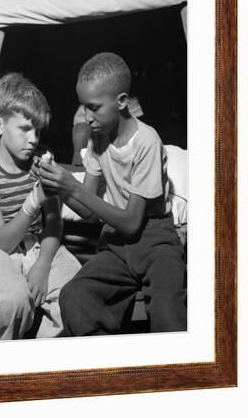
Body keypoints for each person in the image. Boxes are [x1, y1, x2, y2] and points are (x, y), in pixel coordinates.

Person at [36, 53, 186, 336]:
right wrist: (58, 187)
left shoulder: (146, 141)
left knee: (168, 312)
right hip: (115, 244)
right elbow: (89, 212)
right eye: (83, 108)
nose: (86, 118)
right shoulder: (97, 139)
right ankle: (110, 366)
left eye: (94, 108)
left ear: (121, 101)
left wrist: (73, 186)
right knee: (74, 296)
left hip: (155, 239)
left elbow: (131, 221)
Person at [0, 73, 81, 341]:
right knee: (12, 300)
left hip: (39, 243)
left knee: (77, 293)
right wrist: (34, 198)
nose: (33, 139)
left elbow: (54, 221)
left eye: (37, 130)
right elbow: (1, 243)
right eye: (25, 129)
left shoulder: (40, 161)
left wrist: (42, 264)